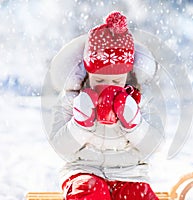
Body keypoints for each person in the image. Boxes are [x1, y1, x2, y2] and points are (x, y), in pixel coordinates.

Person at [48, 11, 164, 200]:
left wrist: (134, 125)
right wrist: (80, 124)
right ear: (87, 73)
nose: (108, 86)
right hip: (83, 171)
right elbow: (60, 146)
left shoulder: (139, 101)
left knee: (138, 196)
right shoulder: (72, 99)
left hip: (130, 175)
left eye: (116, 80)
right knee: (89, 191)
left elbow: (155, 145)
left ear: (128, 76)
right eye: (100, 79)